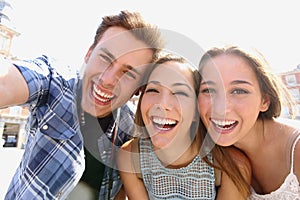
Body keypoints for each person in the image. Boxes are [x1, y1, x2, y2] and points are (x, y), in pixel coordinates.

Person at [1, 10, 164, 200]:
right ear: (88, 53)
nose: (108, 80)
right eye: (105, 58)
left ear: (138, 89)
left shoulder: (129, 129)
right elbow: (6, 81)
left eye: (128, 73)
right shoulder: (55, 84)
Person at [117, 54, 251, 199]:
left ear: (196, 110)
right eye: (153, 90)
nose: (162, 104)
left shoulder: (231, 165)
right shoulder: (129, 157)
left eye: (180, 92)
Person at [197, 45, 300, 199]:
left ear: (265, 100)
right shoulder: (210, 154)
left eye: (239, 91)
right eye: (209, 90)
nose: (221, 108)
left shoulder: (296, 150)